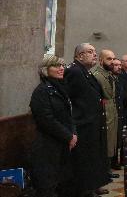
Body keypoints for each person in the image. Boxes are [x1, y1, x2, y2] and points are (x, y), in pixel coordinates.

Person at [65, 43, 108, 197]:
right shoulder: (74, 71)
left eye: (95, 51)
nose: (94, 54)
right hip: (83, 124)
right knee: (84, 160)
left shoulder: (86, 72)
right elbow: (68, 99)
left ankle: (92, 186)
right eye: (90, 52)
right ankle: (85, 190)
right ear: (79, 56)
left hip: (92, 124)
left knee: (92, 158)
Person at [29, 55, 76, 197]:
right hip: (48, 146)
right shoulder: (41, 91)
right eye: (56, 66)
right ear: (45, 70)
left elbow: (69, 114)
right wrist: (68, 136)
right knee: (48, 186)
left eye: (62, 65)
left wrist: (73, 134)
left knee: (63, 182)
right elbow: (46, 120)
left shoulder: (60, 88)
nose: (61, 68)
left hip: (62, 143)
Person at [91, 49, 120, 179]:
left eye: (114, 58)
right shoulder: (96, 75)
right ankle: (102, 172)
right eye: (109, 59)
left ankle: (106, 170)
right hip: (103, 113)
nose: (113, 61)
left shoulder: (109, 74)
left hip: (111, 112)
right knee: (104, 144)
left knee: (111, 142)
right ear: (101, 60)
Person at [111, 59, 125, 168]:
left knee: (118, 139)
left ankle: (115, 161)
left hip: (120, 112)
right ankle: (112, 163)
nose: (119, 67)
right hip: (112, 113)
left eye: (120, 65)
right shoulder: (110, 79)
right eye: (116, 65)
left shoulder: (119, 78)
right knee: (113, 139)